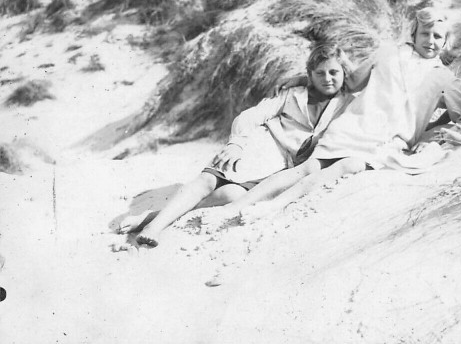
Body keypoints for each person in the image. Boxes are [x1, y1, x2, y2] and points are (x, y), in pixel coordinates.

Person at [210, 7, 461, 219]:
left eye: (438, 36)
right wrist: (305, 78)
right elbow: (350, 83)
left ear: (445, 43)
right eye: (426, 33)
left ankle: (272, 208)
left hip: (390, 142)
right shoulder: (386, 53)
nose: (431, 41)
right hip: (355, 125)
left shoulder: (444, 77)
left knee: (345, 166)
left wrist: (431, 127)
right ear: (414, 34)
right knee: (307, 167)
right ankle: (235, 207)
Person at [119, 42, 353, 247]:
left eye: (333, 72)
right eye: (319, 73)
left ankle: (154, 216)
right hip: (260, 145)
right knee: (208, 180)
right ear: (310, 74)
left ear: (344, 72)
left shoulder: (349, 101)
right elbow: (249, 117)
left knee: (229, 195)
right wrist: (237, 144)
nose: (327, 78)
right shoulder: (292, 93)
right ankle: (154, 228)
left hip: (282, 165)